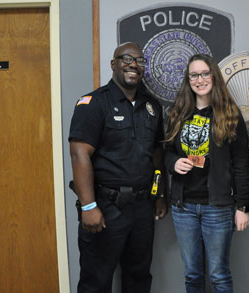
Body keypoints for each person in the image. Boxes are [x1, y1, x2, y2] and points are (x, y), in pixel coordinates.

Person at [69, 42, 167, 293]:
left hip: (142, 208)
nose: (134, 65)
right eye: (127, 59)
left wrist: (159, 194)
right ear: (114, 64)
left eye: (140, 61)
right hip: (106, 206)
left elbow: (156, 155)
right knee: (96, 281)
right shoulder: (93, 103)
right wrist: (89, 206)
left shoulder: (152, 107)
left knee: (139, 278)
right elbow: (80, 154)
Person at [164, 54, 249, 293]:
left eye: (205, 73)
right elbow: (167, 152)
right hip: (184, 207)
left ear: (214, 76)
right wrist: (174, 164)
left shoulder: (229, 114)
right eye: (194, 74)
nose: (199, 79)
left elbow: (241, 163)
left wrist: (243, 206)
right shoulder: (178, 112)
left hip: (218, 207)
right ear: (188, 79)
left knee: (219, 275)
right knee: (192, 274)